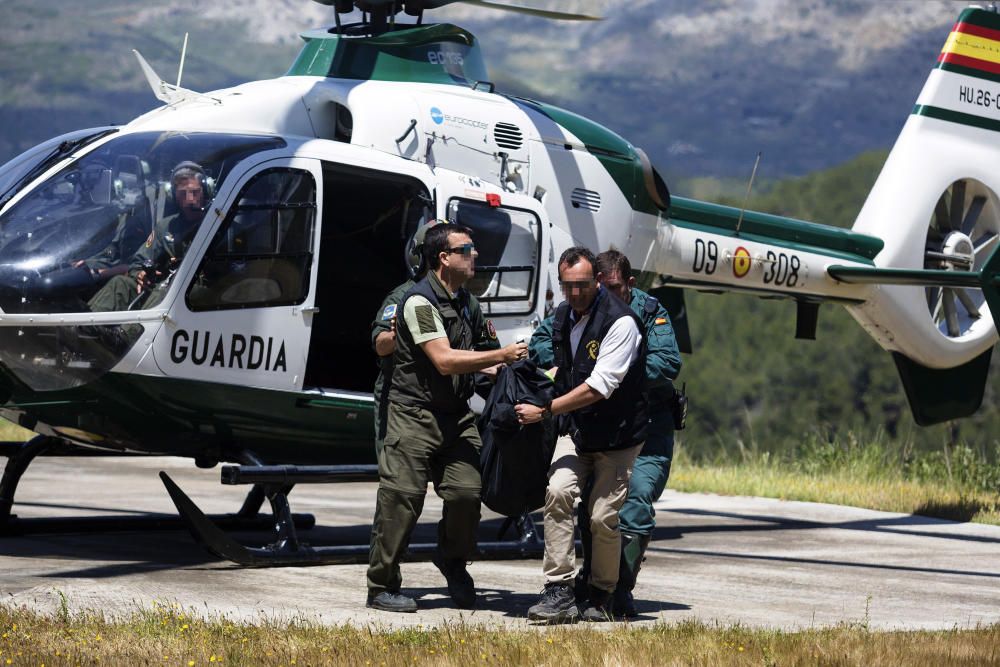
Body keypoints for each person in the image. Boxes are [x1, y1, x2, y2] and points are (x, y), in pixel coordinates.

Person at [366, 223, 528, 614]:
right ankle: (382, 585)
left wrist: (527, 375)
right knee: (402, 497)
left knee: (466, 494)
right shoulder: (414, 300)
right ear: (443, 257)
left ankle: (453, 560)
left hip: (456, 416)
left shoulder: (467, 303)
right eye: (467, 249)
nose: (476, 256)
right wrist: (501, 356)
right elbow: (442, 360)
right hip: (411, 412)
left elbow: (487, 358)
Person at [515, 246, 647, 624]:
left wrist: (546, 410)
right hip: (578, 429)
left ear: (598, 281)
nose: (575, 294)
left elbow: (600, 386)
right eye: (568, 286)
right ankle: (558, 589)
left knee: (602, 516)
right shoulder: (561, 317)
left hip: (618, 435)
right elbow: (551, 366)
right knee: (557, 492)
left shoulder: (621, 323)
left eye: (583, 285)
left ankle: (602, 592)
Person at [88, 161, 209, 313]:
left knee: (168, 289)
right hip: (161, 289)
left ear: (205, 192)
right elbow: (138, 260)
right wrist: (140, 273)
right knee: (120, 284)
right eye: (183, 194)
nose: (190, 199)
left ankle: (127, 335)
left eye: (195, 192)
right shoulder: (164, 227)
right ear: (174, 196)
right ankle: (86, 332)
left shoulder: (220, 227)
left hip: (195, 294)